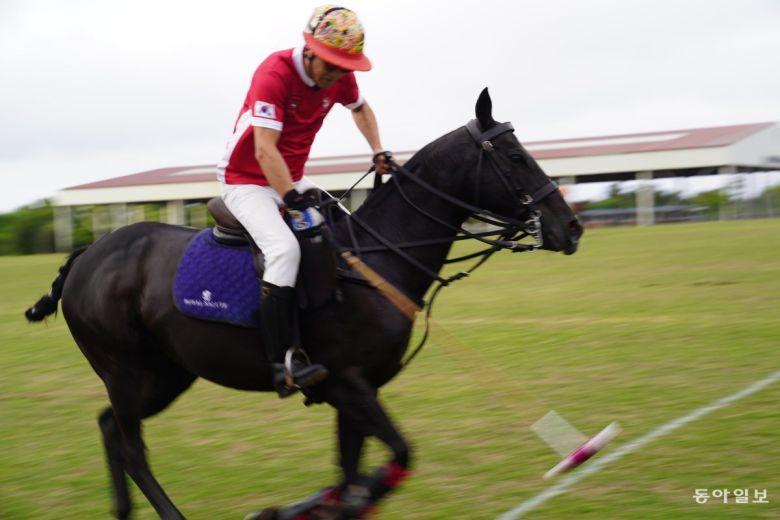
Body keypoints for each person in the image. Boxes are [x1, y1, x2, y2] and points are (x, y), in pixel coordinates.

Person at [216, 5, 391, 397]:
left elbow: (360, 107)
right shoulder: (274, 73)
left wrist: (378, 149)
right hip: (246, 179)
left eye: (343, 68)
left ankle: (336, 326)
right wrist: (292, 200)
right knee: (284, 250)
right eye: (330, 66)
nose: (335, 76)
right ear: (309, 50)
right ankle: (283, 362)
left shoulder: (339, 74)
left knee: (345, 229)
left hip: (291, 175)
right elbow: (264, 150)